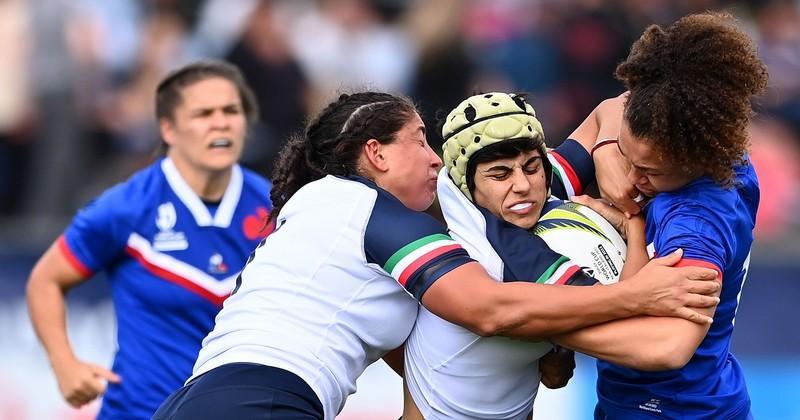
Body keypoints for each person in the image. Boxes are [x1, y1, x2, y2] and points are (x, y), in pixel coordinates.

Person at [153, 91, 720, 420]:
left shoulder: (345, 214)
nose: (432, 159)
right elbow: (488, 309)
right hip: (260, 404)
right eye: (419, 140)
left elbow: (615, 110)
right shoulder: (371, 209)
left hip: (208, 399)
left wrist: (541, 343)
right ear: (374, 154)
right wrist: (632, 292)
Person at [26, 60, 274, 419]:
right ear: (169, 129)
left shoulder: (275, 206)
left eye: (231, 111)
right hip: (141, 411)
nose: (221, 122)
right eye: (204, 113)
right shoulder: (126, 207)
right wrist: (64, 363)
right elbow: (45, 281)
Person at [402, 92, 667, 420]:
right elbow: (636, 328)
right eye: (500, 175)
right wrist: (633, 219)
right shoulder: (506, 254)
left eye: (532, 167)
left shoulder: (512, 193)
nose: (522, 185)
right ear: (469, 185)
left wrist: (605, 152)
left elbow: (616, 106)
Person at [562, 12, 767, 419]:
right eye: (628, 154)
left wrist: (536, 322)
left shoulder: (696, 224)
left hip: (677, 411)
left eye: (650, 172)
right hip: (640, 401)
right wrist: (605, 150)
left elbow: (667, 347)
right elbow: (612, 107)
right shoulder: (690, 129)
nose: (631, 179)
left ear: (695, 157)